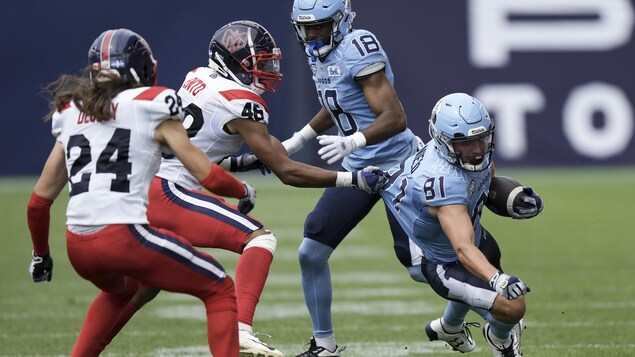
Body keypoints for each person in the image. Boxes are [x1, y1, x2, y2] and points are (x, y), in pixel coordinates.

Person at [95, 20, 389, 357]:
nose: (267, 71)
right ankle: (241, 328)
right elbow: (287, 172)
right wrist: (352, 179)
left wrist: (243, 162)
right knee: (259, 239)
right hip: (169, 191)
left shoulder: (198, 78)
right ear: (232, 62)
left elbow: (201, 152)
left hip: (147, 187)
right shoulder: (242, 101)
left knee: (142, 286)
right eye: (259, 64)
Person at [25, 28, 248, 356]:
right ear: (142, 68)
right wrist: (242, 189)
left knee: (120, 292)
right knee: (219, 286)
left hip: (77, 245)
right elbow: (206, 174)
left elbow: (38, 202)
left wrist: (41, 255)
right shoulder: (153, 103)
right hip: (123, 238)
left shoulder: (70, 111)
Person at [282, 1, 426, 355]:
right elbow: (339, 102)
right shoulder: (321, 54)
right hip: (360, 169)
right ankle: (324, 346)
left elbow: (394, 117)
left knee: (420, 268)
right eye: (307, 28)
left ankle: (492, 307)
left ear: (342, 21)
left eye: (320, 26)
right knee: (311, 251)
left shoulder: (358, 45)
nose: (313, 35)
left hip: (399, 167)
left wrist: (353, 140)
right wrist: (298, 139)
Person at [381, 93, 541, 356]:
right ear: (444, 141)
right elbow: (463, 250)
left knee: (487, 287)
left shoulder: (467, 154)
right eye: (467, 143)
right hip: (441, 259)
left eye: (482, 138)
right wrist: (498, 280)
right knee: (511, 308)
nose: (478, 149)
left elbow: (483, 183)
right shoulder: (443, 180)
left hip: (468, 236)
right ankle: (499, 339)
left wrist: (514, 198)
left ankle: (449, 327)